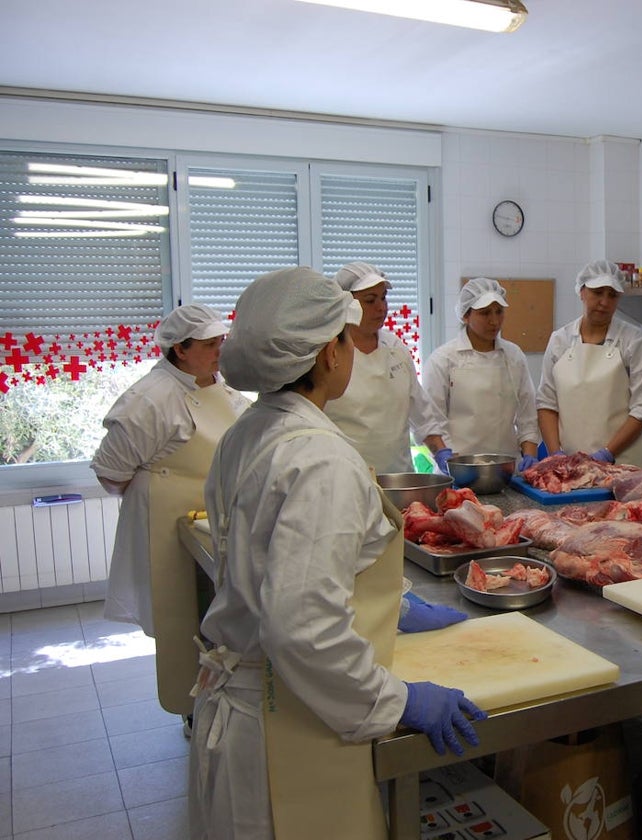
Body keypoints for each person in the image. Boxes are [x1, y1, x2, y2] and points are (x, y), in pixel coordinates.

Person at [189, 267, 484, 840]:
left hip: (253, 701)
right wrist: (394, 700)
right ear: (330, 354)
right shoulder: (321, 460)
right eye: (347, 338)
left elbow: (276, 567)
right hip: (284, 719)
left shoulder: (250, 430)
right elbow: (302, 626)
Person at [91, 303, 249, 718]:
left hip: (218, 521)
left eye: (222, 341)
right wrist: (164, 490)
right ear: (180, 349)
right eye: (210, 344)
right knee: (182, 618)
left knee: (218, 613)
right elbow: (111, 473)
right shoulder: (149, 399)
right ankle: (190, 707)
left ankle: (221, 699)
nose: (220, 350)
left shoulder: (224, 390)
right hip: (166, 524)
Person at [323, 261, 453, 474]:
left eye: (383, 297)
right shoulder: (328, 353)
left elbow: (421, 413)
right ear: (345, 304)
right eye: (370, 300)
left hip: (399, 480)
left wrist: (441, 452)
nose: (381, 307)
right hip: (346, 481)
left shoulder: (396, 349)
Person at [537, 260, 642, 469]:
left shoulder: (633, 341)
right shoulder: (560, 341)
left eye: (612, 295)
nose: (604, 302)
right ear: (582, 292)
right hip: (573, 467)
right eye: (598, 292)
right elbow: (547, 403)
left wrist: (607, 453)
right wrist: (555, 454)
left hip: (626, 466)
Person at [424, 278, 540, 472]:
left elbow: (527, 416)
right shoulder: (443, 360)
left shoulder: (514, 356)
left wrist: (529, 454)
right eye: (485, 313)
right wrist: (445, 457)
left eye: (499, 312)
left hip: (506, 470)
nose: (494, 321)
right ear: (465, 315)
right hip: (457, 469)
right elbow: (431, 420)